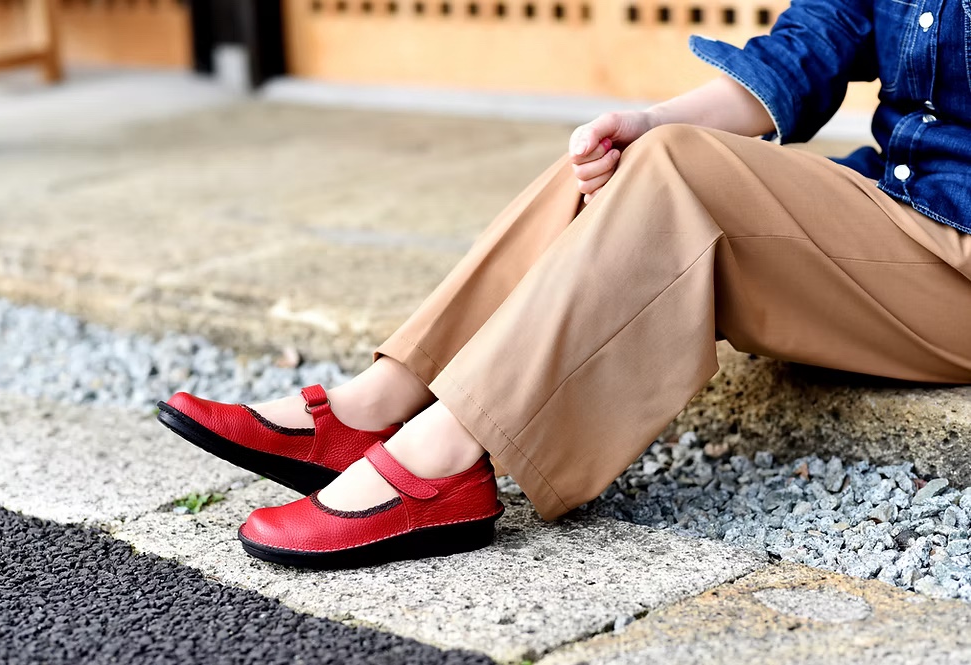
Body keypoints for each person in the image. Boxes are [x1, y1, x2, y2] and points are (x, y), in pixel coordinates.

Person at [157, 0, 971, 569]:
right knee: (637, 154)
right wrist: (649, 120)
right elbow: (806, 47)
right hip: (894, 205)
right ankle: (379, 403)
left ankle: (444, 455)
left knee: (678, 166)